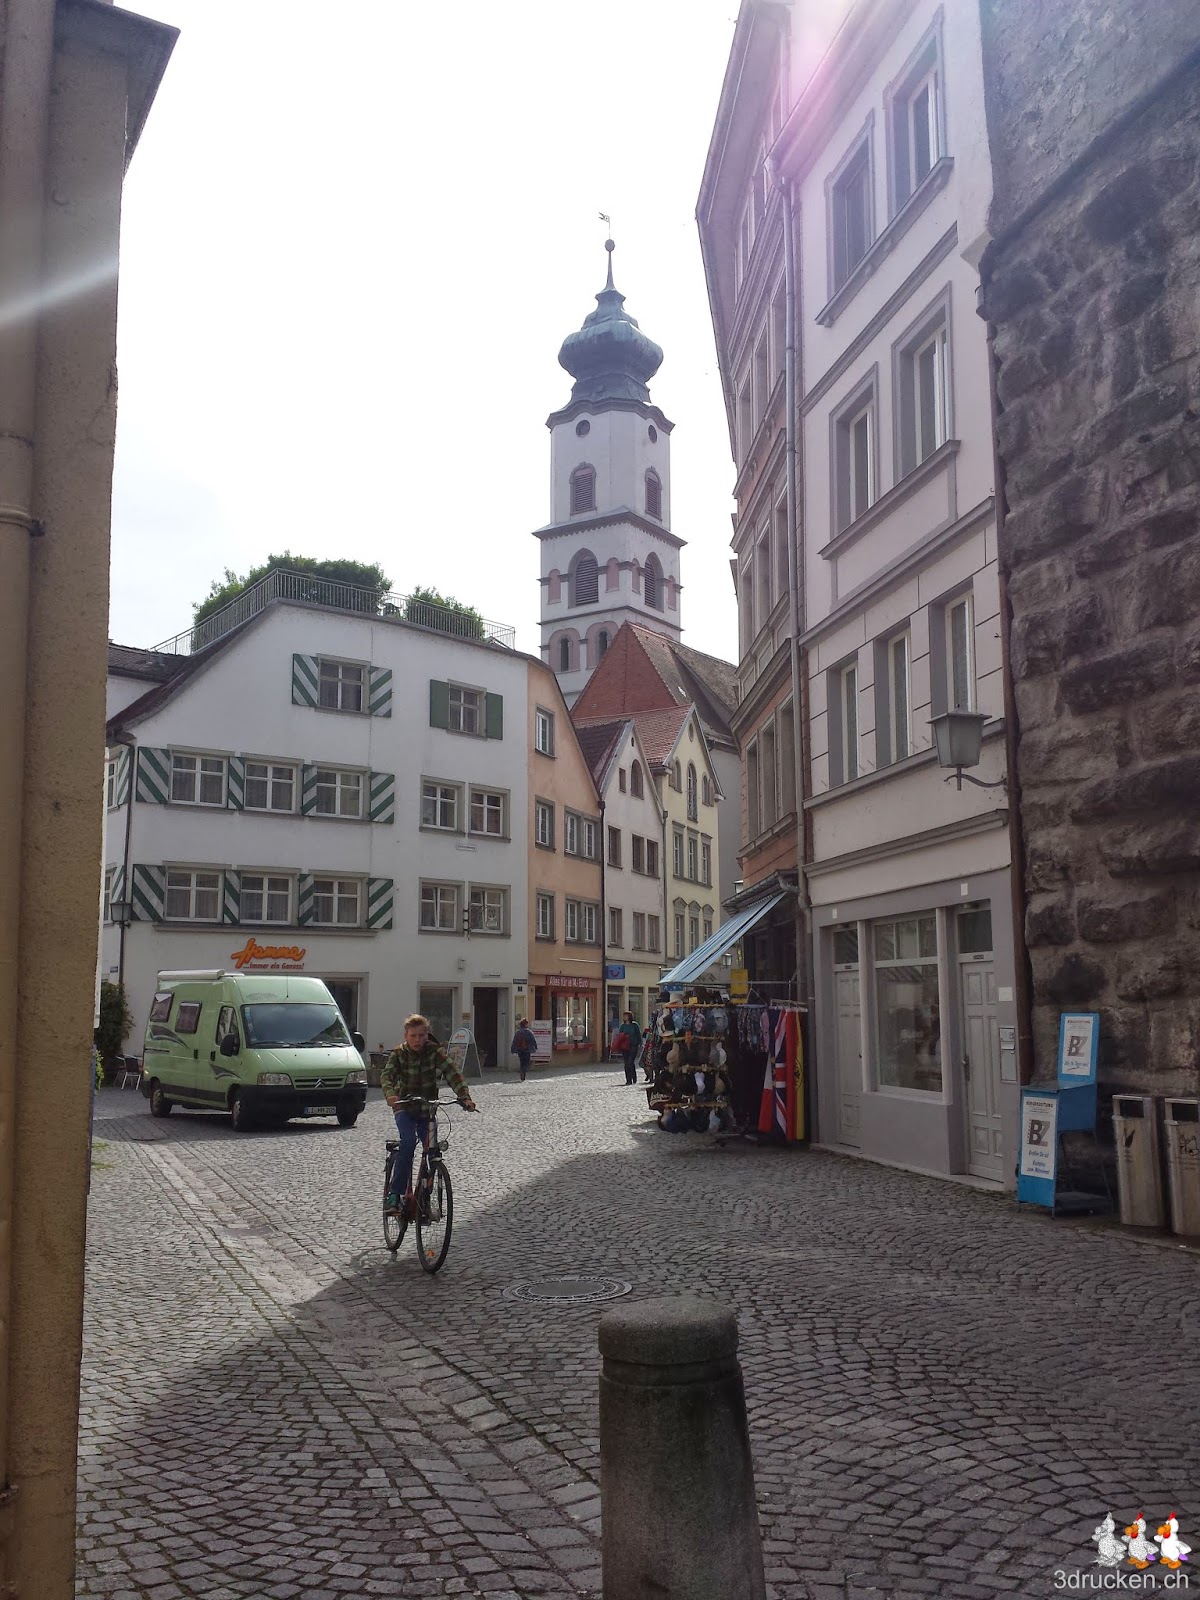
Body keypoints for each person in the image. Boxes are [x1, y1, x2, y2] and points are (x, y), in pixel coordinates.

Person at [382, 1013, 477, 1218]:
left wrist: (464, 1097)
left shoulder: (434, 1052)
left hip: (428, 1109)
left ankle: (425, 1195)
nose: (418, 1040)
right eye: (413, 1036)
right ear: (406, 1035)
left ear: (427, 1035)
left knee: (432, 1151)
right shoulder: (399, 1054)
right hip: (404, 1108)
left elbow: (453, 1073)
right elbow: (387, 1075)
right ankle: (395, 1195)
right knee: (408, 1142)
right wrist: (391, 1095)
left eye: (422, 1035)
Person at [618, 1010, 643, 1086]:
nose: (624, 1017)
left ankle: (634, 1077)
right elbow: (620, 1036)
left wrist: (640, 1043)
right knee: (626, 1063)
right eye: (624, 1016)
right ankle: (628, 1080)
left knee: (630, 1062)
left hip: (633, 1045)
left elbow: (638, 1034)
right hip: (625, 1046)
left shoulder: (634, 1025)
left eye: (626, 1016)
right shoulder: (622, 1026)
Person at [510, 1017, 536, 1082]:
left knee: (522, 1062)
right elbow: (533, 1040)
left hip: (520, 1049)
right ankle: (523, 1072)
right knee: (526, 1062)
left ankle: (522, 1072)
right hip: (527, 1049)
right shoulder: (529, 1032)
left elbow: (515, 1041)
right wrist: (535, 1047)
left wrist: (513, 1049)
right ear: (525, 1024)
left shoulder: (518, 1032)